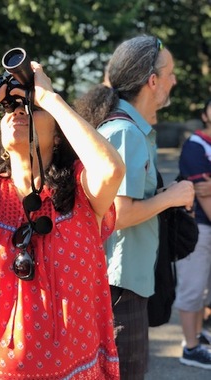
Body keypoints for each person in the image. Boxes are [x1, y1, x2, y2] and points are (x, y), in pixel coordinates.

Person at [0, 58, 126, 379]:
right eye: (11, 109)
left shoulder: (83, 190)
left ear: (58, 136)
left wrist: (50, 99)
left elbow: (111, 169)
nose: (18, 112)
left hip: (71, 369)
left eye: (30, 108)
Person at [73, 35, 195, 379]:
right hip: (119, 286)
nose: (174, 81)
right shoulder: (125, 133)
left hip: (120, 283)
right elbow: (120, 215)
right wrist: (171, 197)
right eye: (169, 73)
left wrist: (164, 194)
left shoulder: (125, 128)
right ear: (152, 81)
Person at [174, 97, 211, 369]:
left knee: (202, 290)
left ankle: (198, 335)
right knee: (192, 287)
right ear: (205, 114)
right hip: (197, 227)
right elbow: (204, 195)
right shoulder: (195, 146)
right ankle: (190, 347)